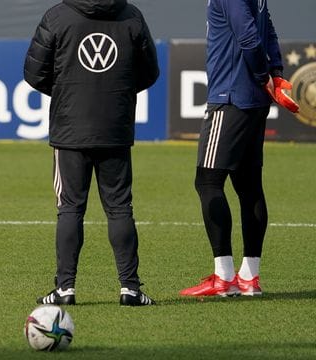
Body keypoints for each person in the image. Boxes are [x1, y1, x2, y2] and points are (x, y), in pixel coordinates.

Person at [23, 0, 159, 306]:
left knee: (70, 208)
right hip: (115, 128)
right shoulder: (131, 15)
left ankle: (65, 289)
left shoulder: (58, 15)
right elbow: (149, 72)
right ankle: (131, 289)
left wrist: (67, 93)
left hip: (70, 129)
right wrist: (116, 93)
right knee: (120, 208)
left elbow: (33, 72)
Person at [180, 0, 298, 297]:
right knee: (248, 186)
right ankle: (249, 277)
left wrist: (263, 76)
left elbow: (248, 35)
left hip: (230, 96)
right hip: (253, 99)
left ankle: (224, 278)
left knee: (208, 182)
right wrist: (275, 72)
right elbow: (267, 29)